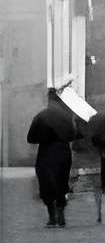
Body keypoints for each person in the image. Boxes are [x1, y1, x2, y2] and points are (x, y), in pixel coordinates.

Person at [27, 90, 78, 228]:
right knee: (61, 182)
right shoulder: (66, 117)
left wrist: (44, 137)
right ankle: (61, 214)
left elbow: (30, 138)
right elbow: (73, 135)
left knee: (46, 184)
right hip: (63, 153)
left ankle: (52, 217)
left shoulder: (41, 116)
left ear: (48, 101)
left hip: (46, 153)